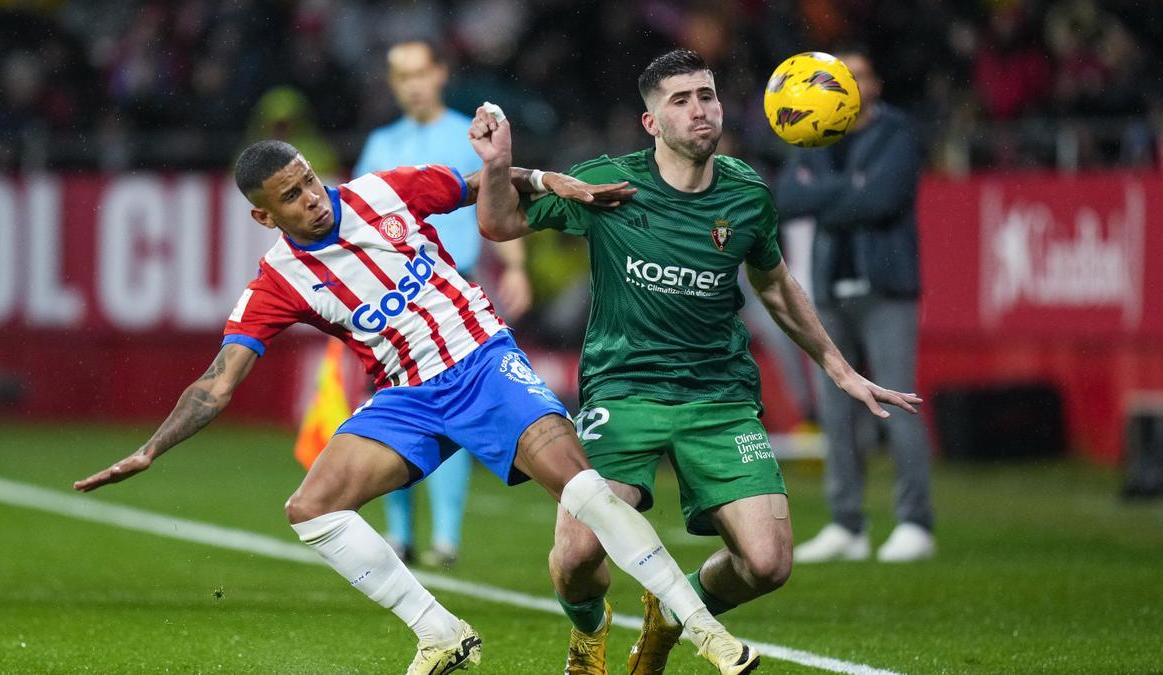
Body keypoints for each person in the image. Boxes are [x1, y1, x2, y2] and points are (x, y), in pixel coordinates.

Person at [74, 113, 763, 675]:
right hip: (408, 397)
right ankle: (440, 632)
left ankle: (705, 631)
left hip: (482, 362)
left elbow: (484, 182)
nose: (312, 196)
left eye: (309, 180)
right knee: (311, 506)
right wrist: (151, 449)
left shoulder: (381, 193)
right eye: (292, 195)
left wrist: (544, 178)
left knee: (584, 491)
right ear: (264, 215)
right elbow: (217, 382)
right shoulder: (279, 281)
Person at [478, 49, 923, 674]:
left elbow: (774, 284)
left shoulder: (747, 195)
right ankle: (587, 632)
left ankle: (669, 611)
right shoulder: (609, 184)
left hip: (719, 397)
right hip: (624, 390)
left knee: (767, 564)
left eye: (707, 96)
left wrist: (839, 367)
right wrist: (499, 166)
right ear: (651, 122)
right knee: (577, 555)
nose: (699, 111)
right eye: (681, 100)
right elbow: (500, 224)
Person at [353, 40, 532, 569]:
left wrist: (517, 266)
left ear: (440, 74)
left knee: (452, 414)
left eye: (420, 72)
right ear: (393, 84)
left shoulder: (466, 135)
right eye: (401, 75)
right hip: (392, 300)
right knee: (393, 411)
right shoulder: (380, 143)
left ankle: (446, 537)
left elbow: (500, 197)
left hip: (452, 291)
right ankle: (401, 534)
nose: (412, 84)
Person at [775, 48, 936, 563]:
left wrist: (826, 196)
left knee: (898, 403)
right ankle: (847, 523)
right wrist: (849, 190)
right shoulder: (817, 132)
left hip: (886, 286)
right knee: (835, 411)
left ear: (877, 84)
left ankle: (915, 522)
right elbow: (786, 199)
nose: (850, 85)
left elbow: (883, 199)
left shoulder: (897, 132)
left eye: (859, 76)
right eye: (843, 77)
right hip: (828, 287)